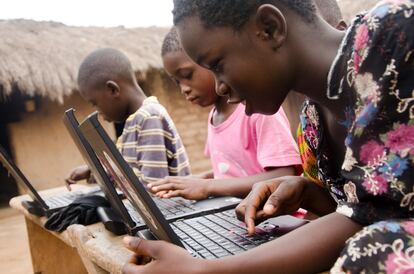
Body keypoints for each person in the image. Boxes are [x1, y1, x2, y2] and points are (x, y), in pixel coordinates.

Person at [121, 0, 414, 273]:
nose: (220, 87)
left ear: (269, 28)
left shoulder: (395, 35)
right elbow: (371, 209)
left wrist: (204, 270)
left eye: (218, 66)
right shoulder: (313, 119)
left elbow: (376, 226)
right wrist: (310, 193)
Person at [149, 27, 301, 200]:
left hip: (279, 219)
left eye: (187, 75)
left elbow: (285, 174)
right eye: (177, 82)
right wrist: (198, 180)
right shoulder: (214, 117)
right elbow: (230, 171)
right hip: (237, 216)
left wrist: (208, 187)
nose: (184, 89)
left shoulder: (258, 109)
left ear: (211, 63)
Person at [66, 48, 191, 187]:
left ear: (113, 90)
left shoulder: (149, 118)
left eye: (95, 104)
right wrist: (92, 171)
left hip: (171, 206)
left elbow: (153, 187)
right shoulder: (132, 124)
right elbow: (127, 175)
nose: (98, 111)